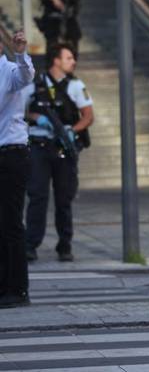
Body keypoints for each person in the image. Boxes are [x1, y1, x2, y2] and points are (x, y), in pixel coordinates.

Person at [23, 43, 94, 262]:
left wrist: (73, 130)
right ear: (56, 60)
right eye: (69, 58)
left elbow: (88, 115)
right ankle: (31, 244)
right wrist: (38, 119)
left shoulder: (75, 85)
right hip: (39, 146)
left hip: (63, 148)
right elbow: (22, 110)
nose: (73, 62)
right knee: (37, 196)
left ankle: (65, 245)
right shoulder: (35, 84)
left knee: (64, 198)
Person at [0, 30, 35, 308]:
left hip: (12, 154)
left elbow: (26, 76)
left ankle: (18, 289)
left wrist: (21, 52)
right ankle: (3, 286)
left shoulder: (10, 70)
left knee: (11, 222)